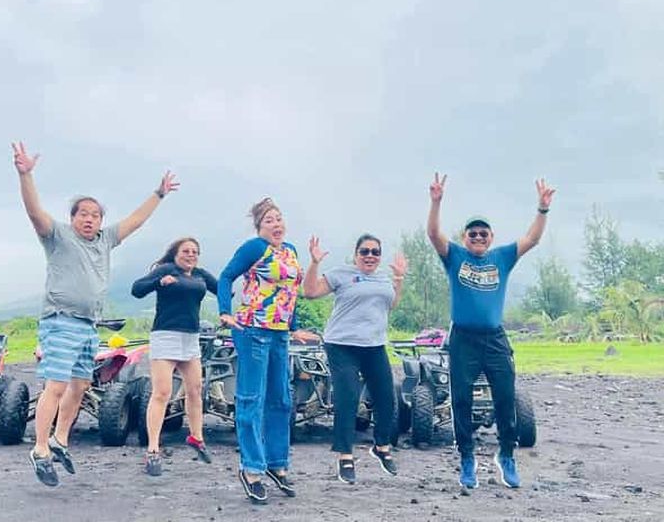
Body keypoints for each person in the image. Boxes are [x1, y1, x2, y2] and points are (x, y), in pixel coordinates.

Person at [12, 141, 178, 487]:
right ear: (73, 218)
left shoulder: (105, 240)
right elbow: (33, 212)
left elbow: (134, 222)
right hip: (60, 321)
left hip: (88, 326)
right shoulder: (57, 235)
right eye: (83, 214)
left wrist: (159, 194)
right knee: (55, 386)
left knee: (81, 385)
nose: (89, 219)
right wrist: (25, 175)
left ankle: (60, 439)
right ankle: (40, 449)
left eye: (95, 215)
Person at [426, 173, 555, 490]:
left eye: (483, 233)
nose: (479, 237)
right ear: (465, 237)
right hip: (463, 340)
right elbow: (433, 234)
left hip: (495, 339)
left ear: (491, 237)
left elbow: (532, 239)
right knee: (462, 401)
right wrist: (436, 201)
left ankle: (506, 455)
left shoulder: (502, 257)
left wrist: (542, 209)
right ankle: (467, 458)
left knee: (505, 397)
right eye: (473, 233)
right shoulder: (456, 256)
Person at [217, 198, 315, 504]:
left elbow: (290, 293)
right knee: (251, 400)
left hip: (279, 334)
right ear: (260, 226)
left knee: (282, 401)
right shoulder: (254, 248)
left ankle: (276, 464)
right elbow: (225, 277)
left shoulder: (292, 251)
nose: (277, 224)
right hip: (253, 331)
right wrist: (225, 311)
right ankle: (252, 469)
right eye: (270, 220)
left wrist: (294, 325)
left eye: (279, 218)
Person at [303, 234, 408, 484]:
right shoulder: (342, 273)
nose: (370, 256)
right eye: (365, 251)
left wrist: (399, 279)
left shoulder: (383, 278)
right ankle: (345, 455)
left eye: (375, 252)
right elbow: (310, 292)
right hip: (342, 345)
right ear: (356, 254)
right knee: (348, 399)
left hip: (374, 345)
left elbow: (390, 304)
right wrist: (315, 263)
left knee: (386, 398)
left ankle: (381, 446)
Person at [131, 237, 217, 476]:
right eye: (186, 251)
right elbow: (137, 289)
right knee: (162, 392)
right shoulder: (167, 270)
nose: (191, 255)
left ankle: (196, 438)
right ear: (176, 253)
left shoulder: (200, 275)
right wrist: (159, 281)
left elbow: (223, 289)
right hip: (165, 336)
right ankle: (153, 449)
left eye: (195, 252)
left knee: (196, 389)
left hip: (190, 337)